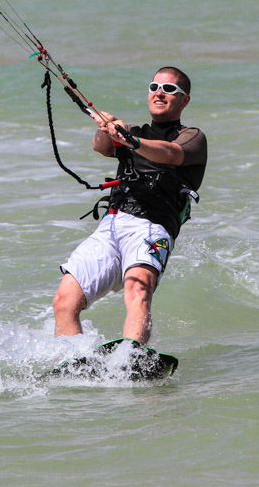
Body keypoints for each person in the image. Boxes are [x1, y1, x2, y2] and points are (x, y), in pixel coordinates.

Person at [53, 66, 207, 346]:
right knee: (64, 300)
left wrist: (131, 140)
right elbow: (101, 147)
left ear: (184, 100)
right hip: (112, 224)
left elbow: (170, 154)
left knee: (138, 290)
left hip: (152, 227)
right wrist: (108, 127)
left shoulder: (192, 137)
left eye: (169, 89)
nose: (159, 93)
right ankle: (74, 361)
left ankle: (132, 358)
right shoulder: (134, 131)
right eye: (154, 87)